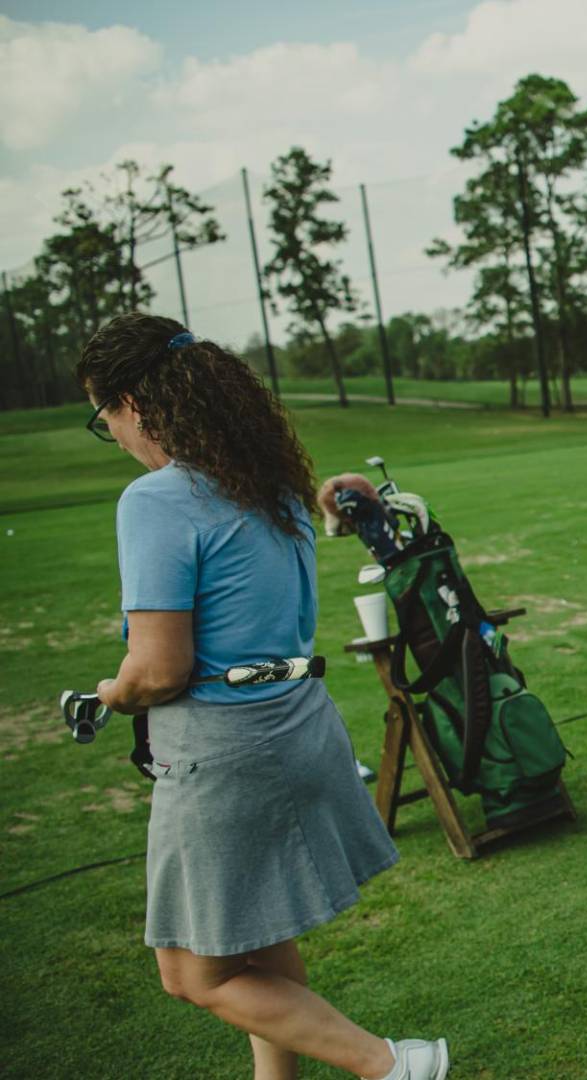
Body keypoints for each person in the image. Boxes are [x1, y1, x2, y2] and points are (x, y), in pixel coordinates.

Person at [79, 314, 449, 1079]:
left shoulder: (153, 500)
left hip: (223, 752)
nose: (110, 435)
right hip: (299, 727)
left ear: (133, 404)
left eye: (102, 416)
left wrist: (114, 691)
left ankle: (393, 1066)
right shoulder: (269, 482)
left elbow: (160, 670)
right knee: (260, 945)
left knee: (193, 973)